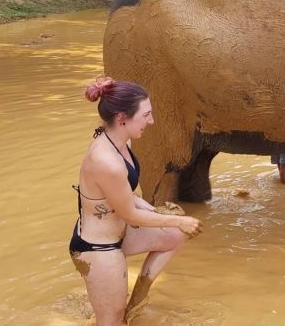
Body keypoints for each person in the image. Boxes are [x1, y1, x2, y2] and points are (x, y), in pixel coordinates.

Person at [70, 77, 201, 325]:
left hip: (118, 234)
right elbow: (130, 214)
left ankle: (137, 300)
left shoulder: (121, 141)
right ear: (122, 118)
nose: (151, 121)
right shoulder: (106, 162)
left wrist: (158, 212)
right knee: (112, 322)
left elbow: (127, 197)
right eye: (146, 115)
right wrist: (178, 219)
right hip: (98, 248)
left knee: (173, 235)